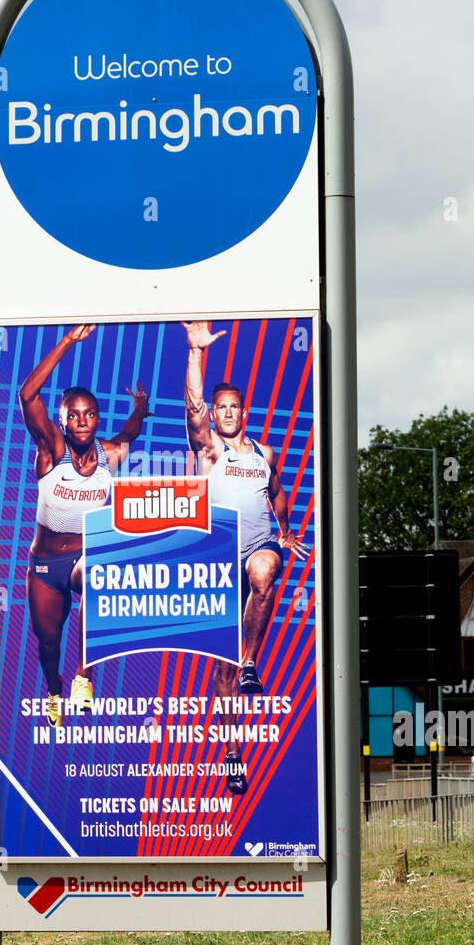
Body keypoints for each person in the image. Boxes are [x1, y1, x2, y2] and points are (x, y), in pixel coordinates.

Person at [183, 320, 308, 788]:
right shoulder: (209, 449)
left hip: (257, 548)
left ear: (244, 412)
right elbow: (192, 407)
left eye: (235, 406)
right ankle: (233, 754)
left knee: (264, 571)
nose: (227, 413)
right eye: (221, 407)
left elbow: (277, 494)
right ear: (214, 415)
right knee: (222, 670)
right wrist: (196, 354)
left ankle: (252, 660)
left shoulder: (264, 452)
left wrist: (285, 531)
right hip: (218, 560)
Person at [20, 323, 149, 727]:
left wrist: (141, 407)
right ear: (61, 419)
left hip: (81, 556)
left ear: (96, 419)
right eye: (73, 414)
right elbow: (28, 395)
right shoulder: (50, 450)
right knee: (48, 642)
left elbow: (130, 432)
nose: (81, 420)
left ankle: (83, 678)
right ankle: (54, 690)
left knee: (98, 581)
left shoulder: (109, 455)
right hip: (44, 564)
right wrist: (67, 342)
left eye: (89, 414)